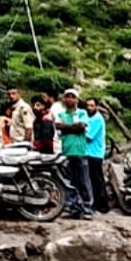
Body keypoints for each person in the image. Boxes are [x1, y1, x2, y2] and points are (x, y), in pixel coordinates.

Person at [55, 88, 93, 220]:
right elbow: (58, 126)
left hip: (80, 151)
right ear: (64, 99)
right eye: (67, 96)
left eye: (72, 96)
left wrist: (66, 127)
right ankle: (73, 208)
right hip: (67, 151)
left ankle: (87, 208)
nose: (70, 99)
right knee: (69, 182)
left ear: (77, 99)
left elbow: (81, 127)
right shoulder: (61, 114)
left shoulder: (82, 112)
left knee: (84, 181)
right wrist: (73, 127)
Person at [85, 98, 109, 214]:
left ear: (97, 106)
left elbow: (89, 137)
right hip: (89, 152)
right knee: (93, 179)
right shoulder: (90, 118)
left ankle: (102, 205)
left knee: (96, 180)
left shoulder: (97, 119)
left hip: (95, 153)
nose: (89, 108)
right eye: (87, 105)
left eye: (92, 105)